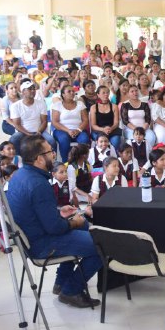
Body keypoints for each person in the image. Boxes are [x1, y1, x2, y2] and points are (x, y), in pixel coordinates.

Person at [6, 136, 101, 308]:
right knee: (101, 244)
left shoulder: (19, 175)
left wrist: (59, 211)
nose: (54, 155)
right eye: (50, 151)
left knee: (84, 226)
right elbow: (55, 228)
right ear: (39, 159)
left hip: (32, 236)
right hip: (42, 244)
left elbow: (36, 210)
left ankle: (61, 281)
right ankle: (71, 291)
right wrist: (73, 223)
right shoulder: (39, 184)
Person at [9, 79, 56, 152]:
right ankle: (19, 158)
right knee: (13, 139)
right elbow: (17, 125)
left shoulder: (41, 103)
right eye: (30, 89)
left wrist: (38, 132)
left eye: (34, 89)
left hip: (39, 131)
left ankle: (51, 158)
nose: (33, 91)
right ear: (23, 92)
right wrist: (28, 134)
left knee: (51, 141)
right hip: (23, 132)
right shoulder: (15, 106)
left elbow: (44, 121)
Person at [51, 84, 90, 160]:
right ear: (63, 94)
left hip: (78, 130)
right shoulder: (57, 105)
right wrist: (68, 131)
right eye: (69, 91)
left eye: (73, 91)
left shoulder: (80, 104)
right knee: (64, 139)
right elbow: (55, 122)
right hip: (61, 130)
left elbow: (85, 120)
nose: (72, 93)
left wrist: (78, 130)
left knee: (84, 139)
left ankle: (82, 162)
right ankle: (66, 162)